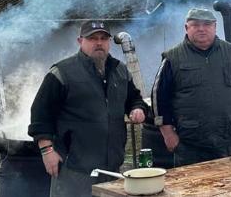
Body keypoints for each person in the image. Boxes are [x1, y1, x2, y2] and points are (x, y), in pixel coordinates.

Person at [28, 20, 147, 197]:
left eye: (103, 38)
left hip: (111, 169)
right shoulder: (62, 72)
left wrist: (137, 109)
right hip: (74, 170)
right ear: (80, 41)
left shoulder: (120, 71)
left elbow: (134, 98)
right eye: (92, 38)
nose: (98, 43)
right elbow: (40, 114)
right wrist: (47, 151)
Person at [151, 8, 231, 166]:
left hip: (228, 141)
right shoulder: (173, 57)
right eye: (195, 24)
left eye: (207, 24)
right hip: (190, 145)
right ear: (187, 28)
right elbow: (159, 98)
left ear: (215, 26)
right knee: (190, 189)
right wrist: (167, 134)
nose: (201, 28)